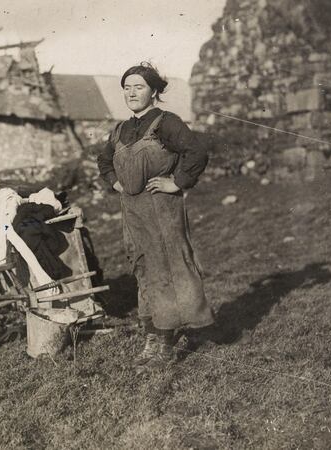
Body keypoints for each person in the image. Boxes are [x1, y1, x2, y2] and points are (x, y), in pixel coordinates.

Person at [96, 62, 214, 372]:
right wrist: (114, 181)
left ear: (154, 91)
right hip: (132, 213)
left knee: (167, 269)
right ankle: (152, 336)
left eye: (138, 87)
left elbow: (197, 152)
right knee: (143, 270)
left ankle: (165, 343)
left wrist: (176, 182)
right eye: (127, 87)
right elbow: (104, 160)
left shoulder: (167, 123)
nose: (132, 92)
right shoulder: (120, 130)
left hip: (161, 209)